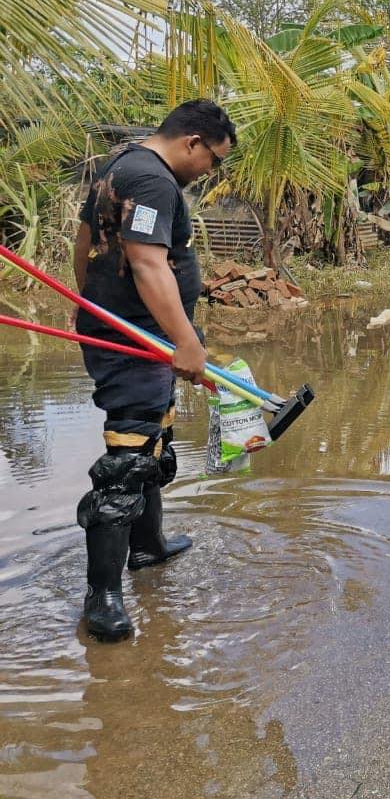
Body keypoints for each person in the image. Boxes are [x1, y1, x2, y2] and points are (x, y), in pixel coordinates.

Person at [73, 99, 236, 640]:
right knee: (127, 459)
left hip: (143, 334)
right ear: (192, 142)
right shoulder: (154, 181)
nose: (209, 172)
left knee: (153, 442)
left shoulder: (119, 165)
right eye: (212, 160)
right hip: (134, 342)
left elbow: (85, 244)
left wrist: (88, 303)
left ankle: (147, 548)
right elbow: (146, 262)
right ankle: (103, 599)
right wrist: (187, 342)